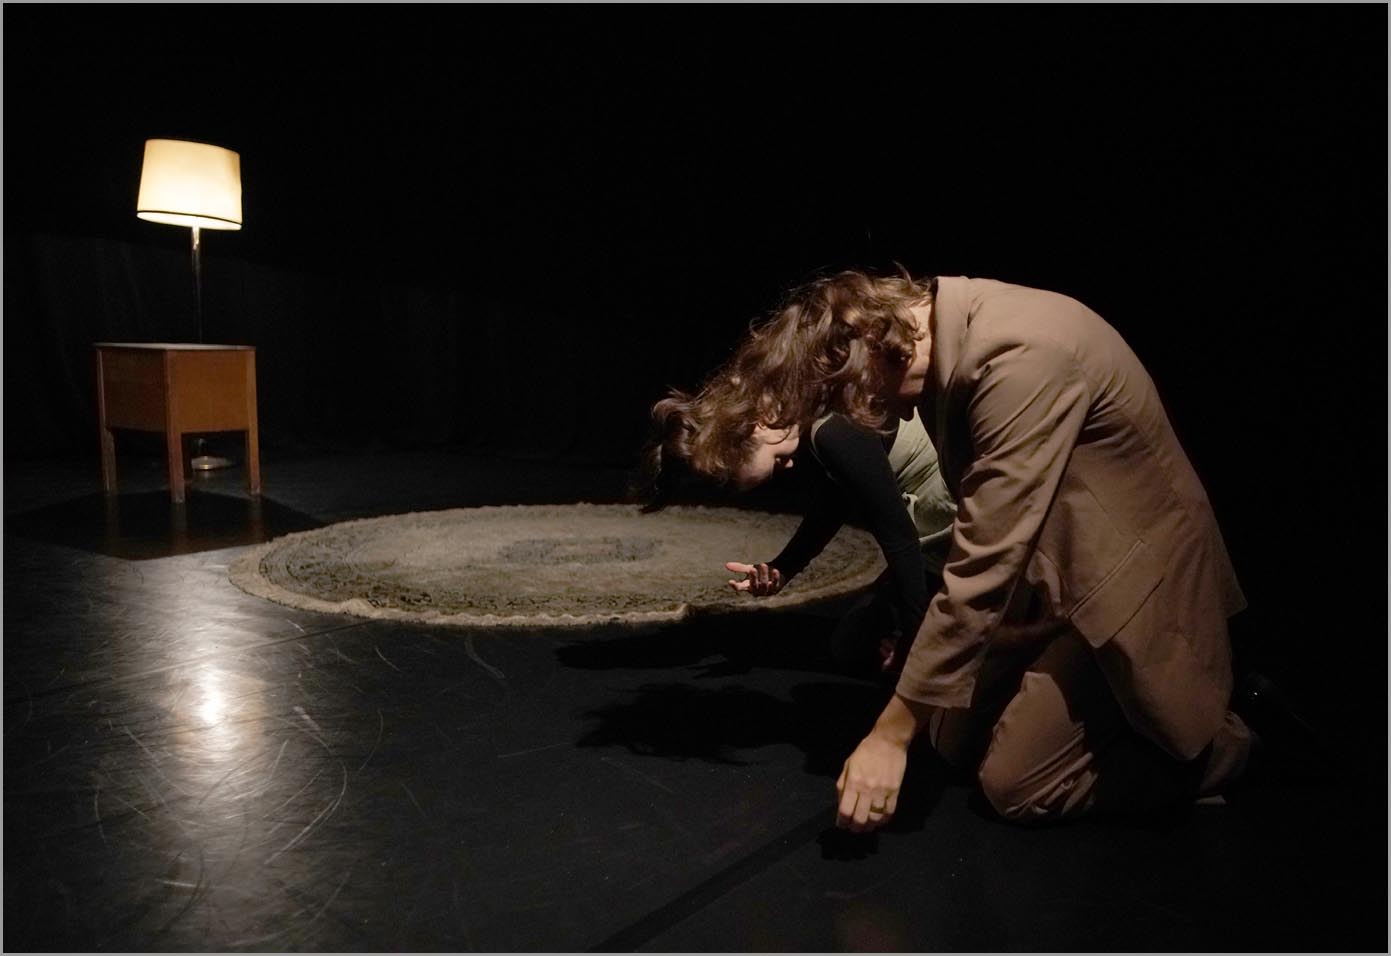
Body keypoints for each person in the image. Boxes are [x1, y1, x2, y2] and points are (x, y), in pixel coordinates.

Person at [644, 269, 1256, 829]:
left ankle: (1218, 755)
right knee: (950, 740)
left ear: (880, 346)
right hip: (1054, 574)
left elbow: (983, 562)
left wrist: (888, 736)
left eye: (867, 399)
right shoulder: (944, 346)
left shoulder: (1020, 359)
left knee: (1011, 785)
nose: (880, 416)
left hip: (1127, 575)